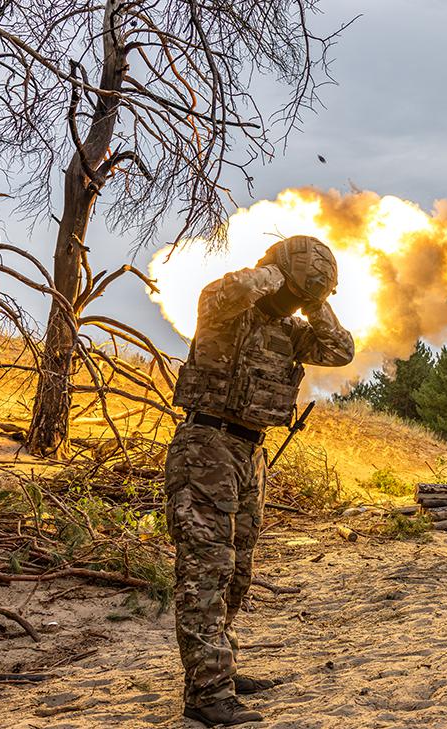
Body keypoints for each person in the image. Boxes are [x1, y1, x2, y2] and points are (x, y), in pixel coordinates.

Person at [165, 235, 355, 725]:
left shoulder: (292, 332)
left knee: (237, 572)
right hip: (206, 445)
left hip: (251, 453)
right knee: (206, 569)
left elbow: (341, 350)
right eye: (292, 290)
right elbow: (222, 295)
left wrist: (315, 302)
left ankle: (221, 670)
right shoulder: (225, 310)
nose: (290, 300)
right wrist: (275, 271)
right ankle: (207, 693)